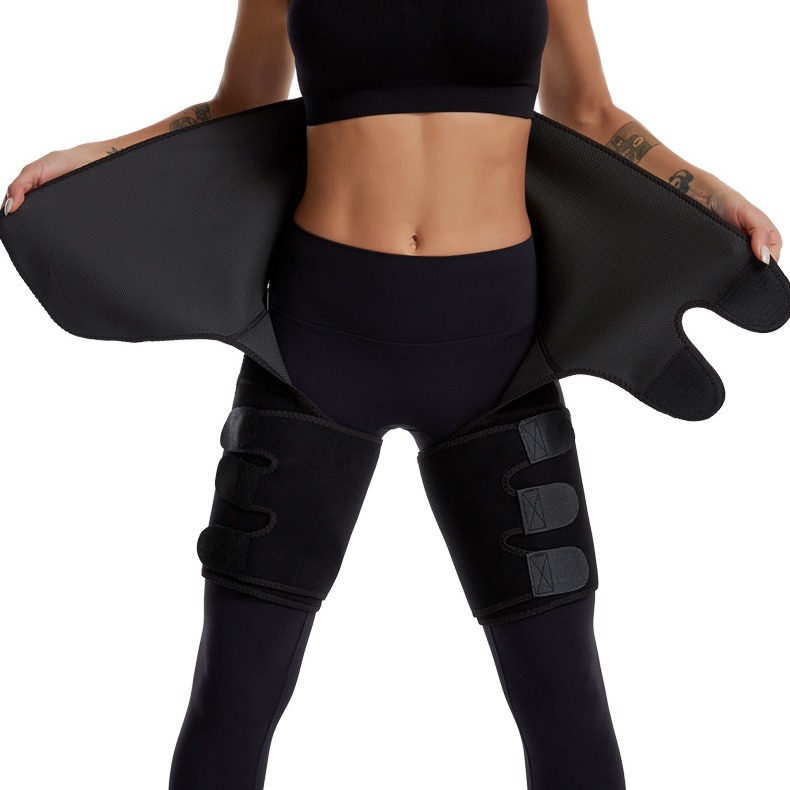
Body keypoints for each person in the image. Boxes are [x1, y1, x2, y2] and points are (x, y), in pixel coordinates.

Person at [3, 1, 783, 789]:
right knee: (232, 695)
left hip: (498, 353)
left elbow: (589, 111)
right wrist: (100, 153)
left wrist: (710, 193)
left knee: (566, 700)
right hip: (316, 343)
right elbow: (240, 102)